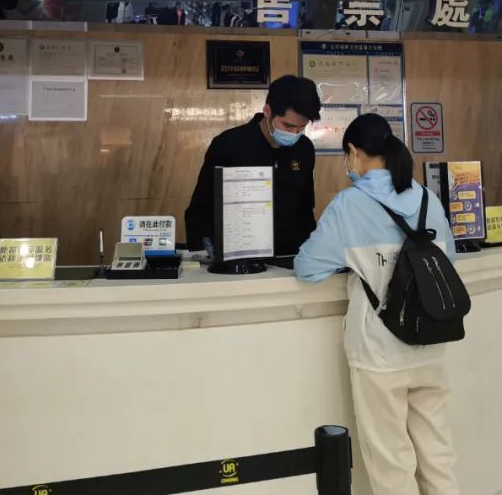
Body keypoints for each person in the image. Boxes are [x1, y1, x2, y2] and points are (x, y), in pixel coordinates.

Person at [295, 113, 459, 495]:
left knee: (391, 463)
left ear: (353, 152)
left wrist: (353, 259)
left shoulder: (348, 205)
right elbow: (448, 258)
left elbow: (307, 267)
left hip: (379, 353)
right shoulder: (426, 198)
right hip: (430, 345)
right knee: (438, 455)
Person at [185, 75, 321, 256]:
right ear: (267, 111)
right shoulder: (229, 144)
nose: (294, 133)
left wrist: (311, 252)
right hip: (236, 255)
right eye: (288, 126)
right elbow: (201, 209)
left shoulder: (304, 148)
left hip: (288, 255)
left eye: (301, 127)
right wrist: (204, 254)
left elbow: (305, 208)